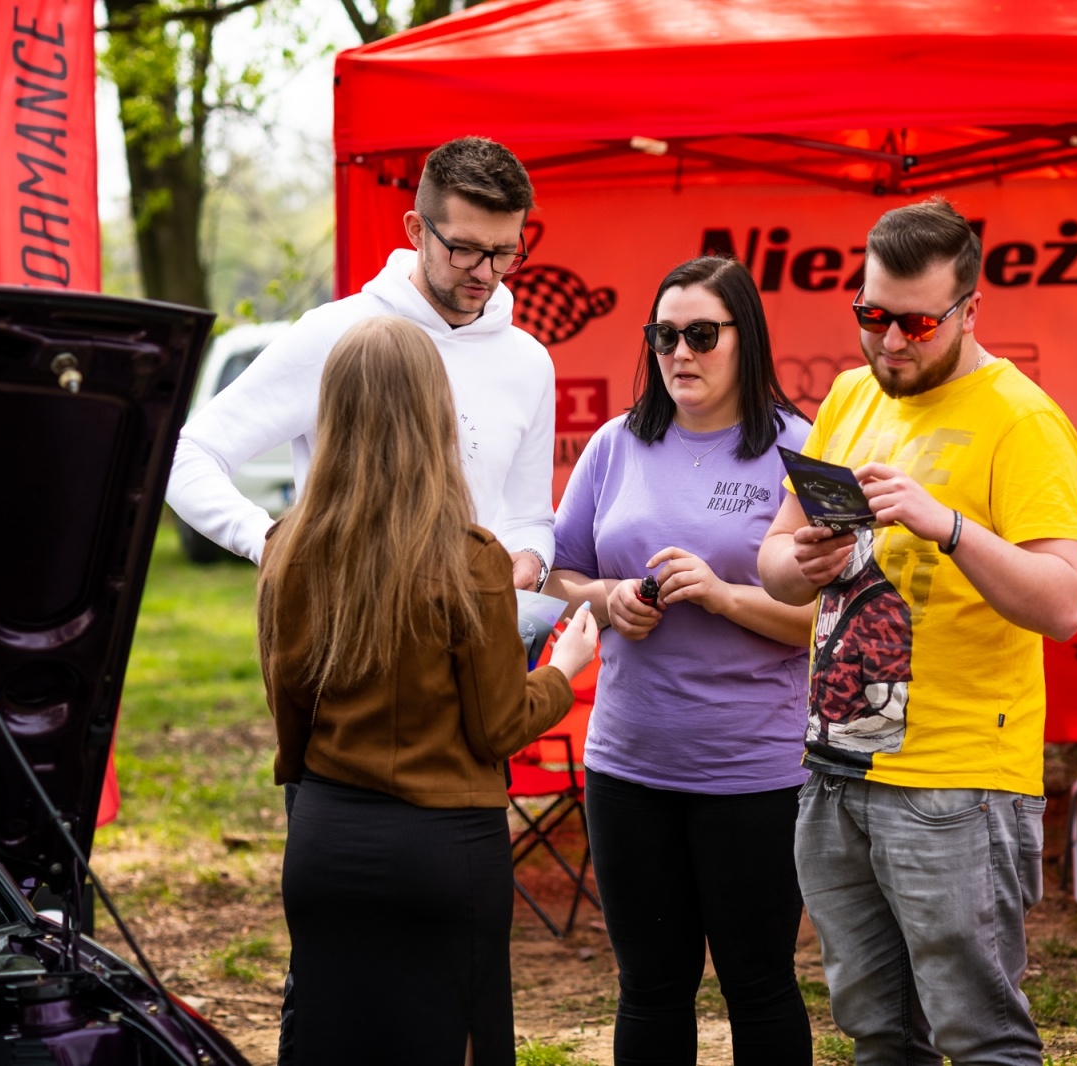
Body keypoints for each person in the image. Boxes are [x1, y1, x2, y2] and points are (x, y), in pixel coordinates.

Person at [758, 199, 1077, 1066]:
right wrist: (807, 559)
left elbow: (1064, 604)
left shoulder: (1023, 421)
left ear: (969, 311)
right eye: (872, 316)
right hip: (837, 768)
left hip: (959, 784)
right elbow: (772, 566)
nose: (891, 343)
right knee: (876, 1035)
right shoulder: (848, 393)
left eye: (915, 323)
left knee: (979, 1036)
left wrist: (947, 526)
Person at [257, 316, 599, 1066]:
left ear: (333, 415)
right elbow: (500, 724)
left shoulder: (287, 547)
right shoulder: (470, 558)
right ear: (434, 416)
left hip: (325, 841)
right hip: (442, 850)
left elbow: (289, 706)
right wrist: (562, 668)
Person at [546, 256, 815, 1065]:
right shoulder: (616, 443)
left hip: (755, 772)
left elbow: (825, 621)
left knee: (759, 985)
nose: (680, 352)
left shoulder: (796, 449)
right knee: (651, 989)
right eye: (664, 335)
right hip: (630, 765)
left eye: (701, 334)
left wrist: (724, 595)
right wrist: (609, 598)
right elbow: (559, 572)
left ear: (746, 339)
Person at [167, 135, 556, 594]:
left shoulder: (529, 361)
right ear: (416, 230)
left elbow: (530, 516)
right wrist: (269, 541)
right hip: (350, 641)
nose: (485, 272)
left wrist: (532, 559)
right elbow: (185, 454)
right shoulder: (335, 333)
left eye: (504, 252)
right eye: (465, 249)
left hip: (472, 643)